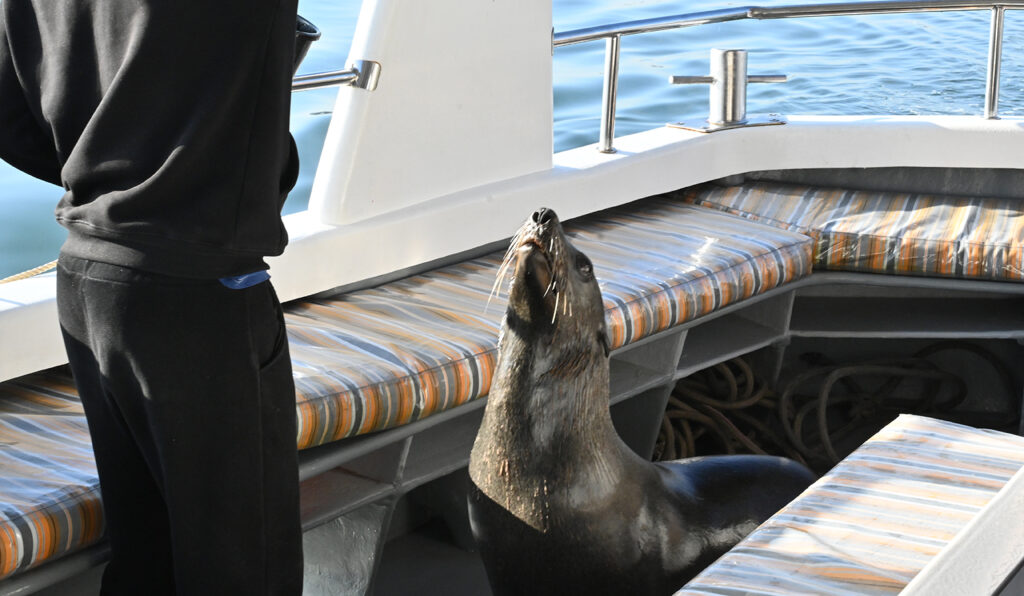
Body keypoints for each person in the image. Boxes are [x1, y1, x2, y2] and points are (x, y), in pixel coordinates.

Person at [0, 1, 304, 594]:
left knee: (146, 560)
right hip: (196, 295)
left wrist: (110, 177)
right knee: (243, 572)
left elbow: (9, 118)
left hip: (88, 273)